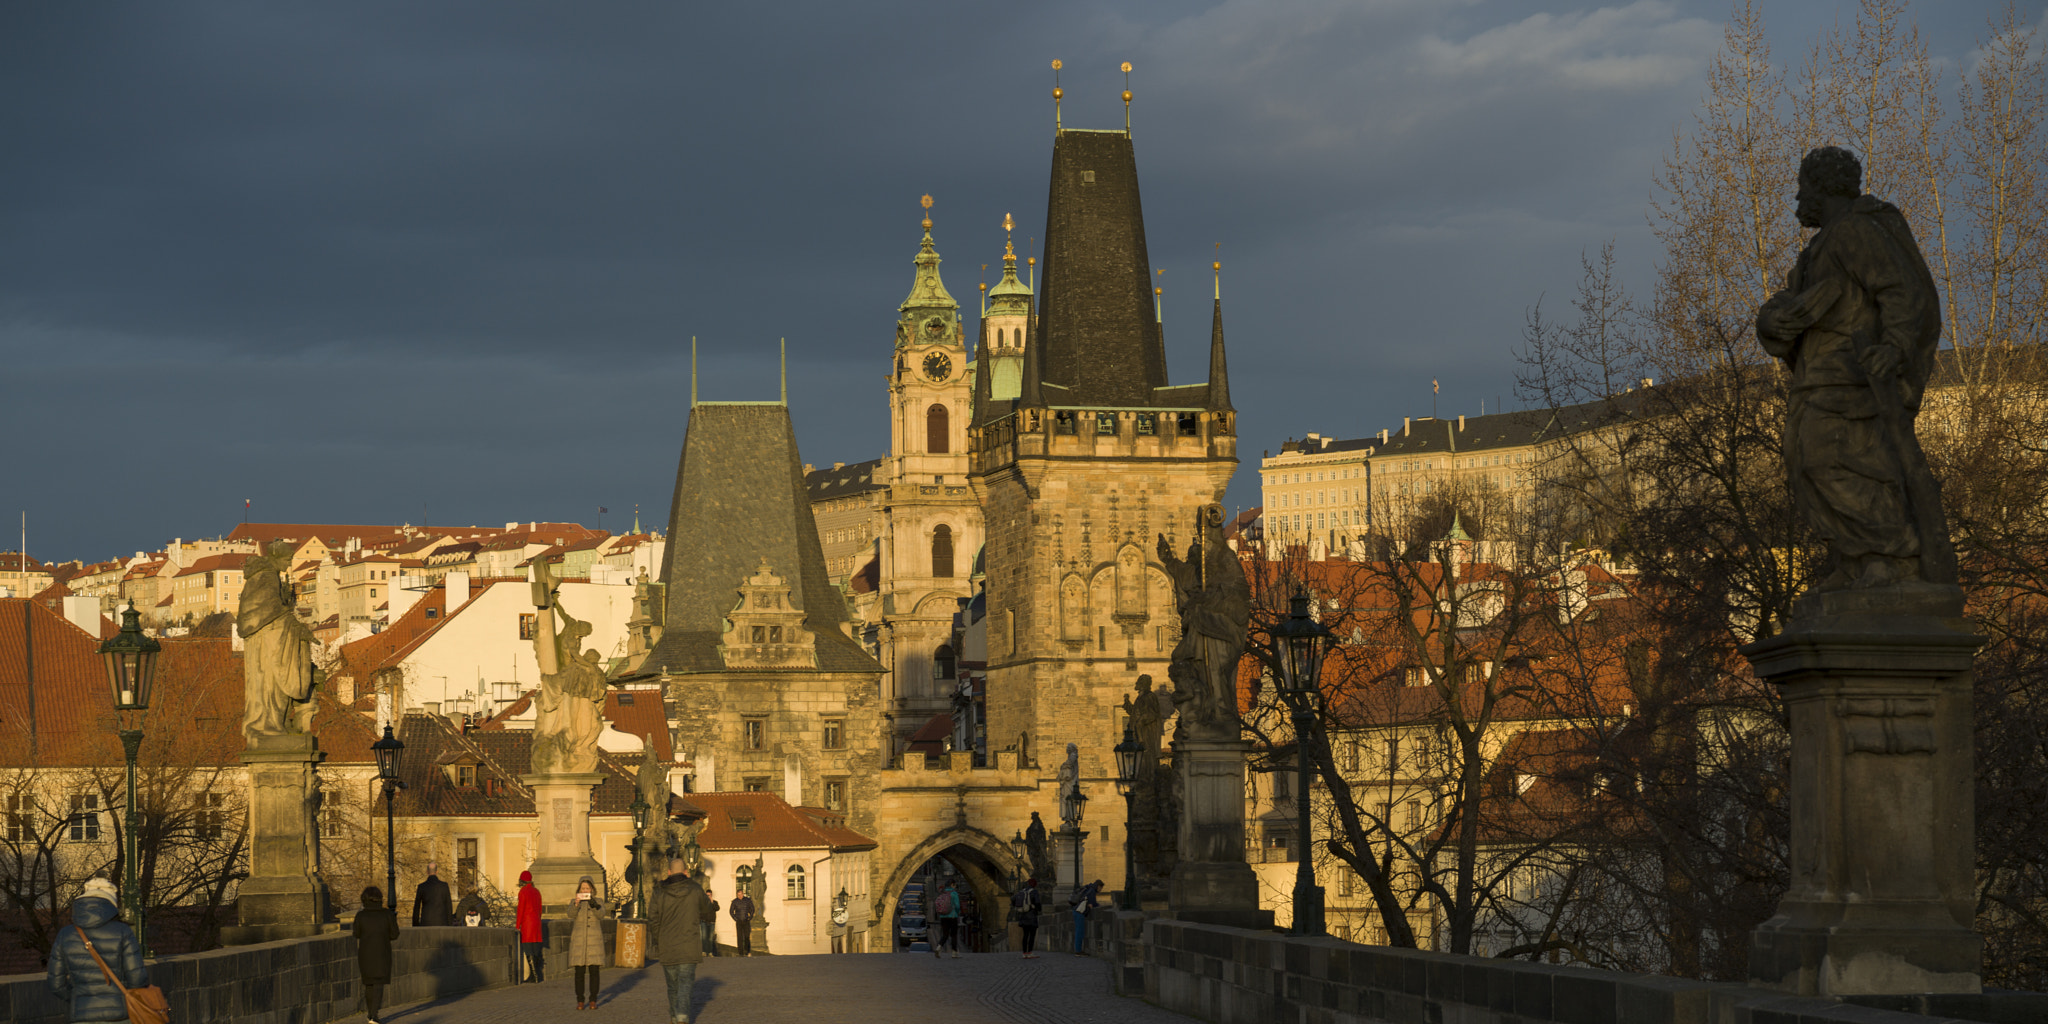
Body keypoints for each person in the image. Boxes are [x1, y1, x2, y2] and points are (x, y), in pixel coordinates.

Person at [46, 877, 148, 1024]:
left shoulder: (65, 934)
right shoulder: (123, 931)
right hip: (120, 1014)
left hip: (82, 1015)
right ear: (111, 903)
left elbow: (55, 984)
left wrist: (78, 997)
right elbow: (137, 978)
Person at [649, 858, 715, 1024]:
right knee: (685, 983)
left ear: (669, 872)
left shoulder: (658, 891)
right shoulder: (695, 889)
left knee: (673, 985)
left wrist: (659, 938)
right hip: (688, 945)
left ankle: (674, 1016)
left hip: (667, 945)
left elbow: (653, 919)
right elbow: (708, 910)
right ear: (686, 872)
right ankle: (682, 1017)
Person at [352, 886, 400, 1024]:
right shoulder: (386, 914)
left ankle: (370, 1014)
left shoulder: (361, 915)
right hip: (382, 952)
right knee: (379, 983)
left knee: (369, 983)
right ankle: (374, 1015)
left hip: (365, 953)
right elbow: (395, 934)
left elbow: (356, 933)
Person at [566, 876, 609, 1010]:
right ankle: (580, 1000)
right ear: (579, 889)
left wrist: (593, 904)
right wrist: (576, 905)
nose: (585, 890)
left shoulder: (598, 901)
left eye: (587, 888)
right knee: (579, 973)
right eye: (583, 888)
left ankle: (593, 1000)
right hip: (579, 941)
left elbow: (601, 915)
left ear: (592, 889)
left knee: (594, 972)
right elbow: (570, 915)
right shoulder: (574, 902)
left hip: (594, 942)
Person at [516, 870, 545, 982]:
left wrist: (517, 925)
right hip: (536, 923)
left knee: (528, 949)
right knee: (535, 949)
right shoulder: (536, 891)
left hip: (527, 924)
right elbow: (540, 909)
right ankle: (537, 975)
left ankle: (535, 976)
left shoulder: (523, 892)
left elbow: (521, 910)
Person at [412, 862, 453, 927]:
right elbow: (448, 906)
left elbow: (417, 907)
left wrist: (415, 924)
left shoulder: (422, 887)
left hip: (426, 922)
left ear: (427, 872)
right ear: (437, 872)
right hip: (441, 922)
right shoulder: (444, 886)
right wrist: (450, 923)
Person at [1012, 877, 1042, 959]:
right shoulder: (1034, 892)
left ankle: (1024, 953)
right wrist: (1038, 909)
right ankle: (1030, 952)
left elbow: (1013, 899)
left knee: (1025, 935)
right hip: (1031, 915)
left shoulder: (1022, 891)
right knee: (1032, 935)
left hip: (1023, 915)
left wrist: (1018, 907)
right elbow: (1037, 902)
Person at [1071, 879, 1102, 955]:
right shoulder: (1092, 891)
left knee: (1078, 931)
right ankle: (1078, 951)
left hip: (1076, 910)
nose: (1101, 890)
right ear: (1098, 886)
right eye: (1101, 888)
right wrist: (1098, 905)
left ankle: (1078, 950)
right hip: (1080, 912)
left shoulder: (1088, 888)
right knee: (1080, 932)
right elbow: (1093, 903)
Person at [933, 883, 961, 959]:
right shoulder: (954, 893)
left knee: (945, 934)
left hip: (943, 917)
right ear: (952, 885)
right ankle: (954, 953)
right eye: (954, 885)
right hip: (952, 916)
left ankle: (938, 947)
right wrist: (958, 912)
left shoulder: (942, 893)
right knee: (953, 935)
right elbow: (957, 905)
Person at [728, 887, 755, 957]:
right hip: (739, 921)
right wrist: (735, 919)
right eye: (738, 895)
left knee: (746, 936)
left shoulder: (748, 900)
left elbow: (752, 909)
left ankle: (747, 951)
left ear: (743, 894)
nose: (740, 896)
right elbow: (731, 911)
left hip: (746, 920)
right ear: (737, 895)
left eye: (741, 894)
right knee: (739, 937)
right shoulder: (734, 901)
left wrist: (750, 917)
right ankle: (741, 952)